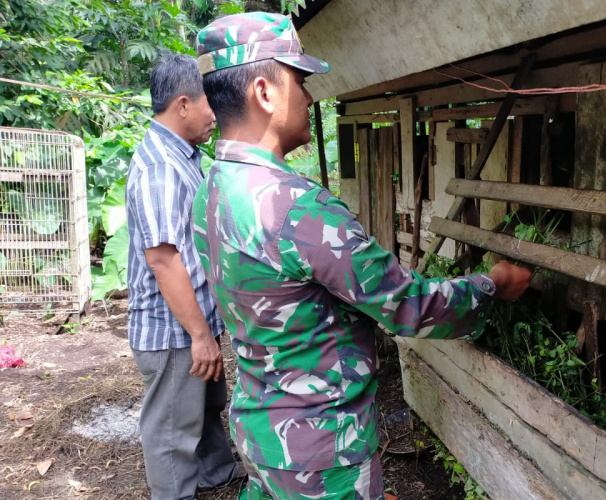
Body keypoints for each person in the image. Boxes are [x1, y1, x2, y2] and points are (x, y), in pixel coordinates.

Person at [192, 13, 532, 500]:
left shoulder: (211, 191)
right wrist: (492, 285)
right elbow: (407, 304)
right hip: (321, 451)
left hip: (261, 429)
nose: (310, 98)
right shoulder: (296, 209)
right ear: (264, 93)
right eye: (300, 82)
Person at [125, 52, 240, 500]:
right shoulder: (161, 168)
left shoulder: (181, 155)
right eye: (211, 103)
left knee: (206, 406)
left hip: (191, 323)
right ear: (184, 105)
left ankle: (217, 473)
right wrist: (199, 335)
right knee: (173, 429)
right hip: (173, 330)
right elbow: (164, 260)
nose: (218, 115)